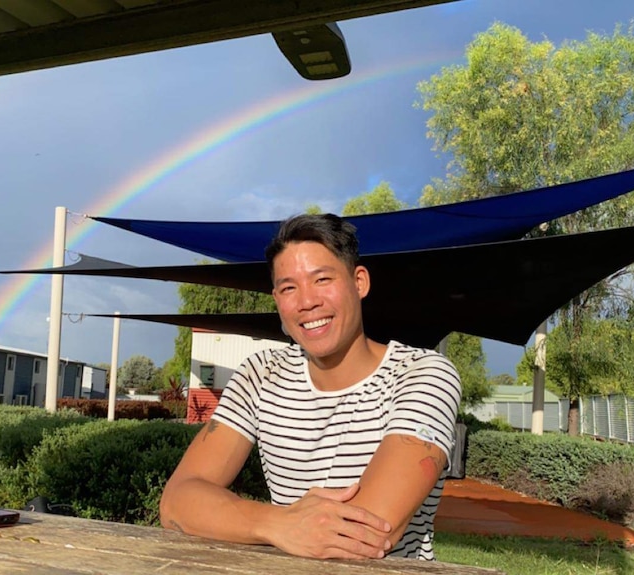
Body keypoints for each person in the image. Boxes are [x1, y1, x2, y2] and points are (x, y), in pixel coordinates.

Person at [159, 213, 461, 560]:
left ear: (359, 282)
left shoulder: (423, 374)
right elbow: (177, 500)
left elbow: (367, 534)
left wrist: (267, 523)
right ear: (277, 300)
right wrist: (276, 523)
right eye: (289, 287)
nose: (306, 302)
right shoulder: (260, 375)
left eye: (322, 279)